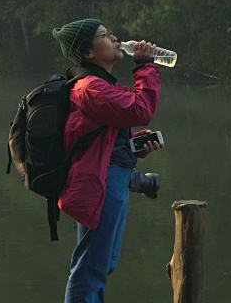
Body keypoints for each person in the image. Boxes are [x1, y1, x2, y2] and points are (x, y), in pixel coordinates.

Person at [52, 18, 164, 302]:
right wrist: (144, 65)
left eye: (112, 33)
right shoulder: (91, 87)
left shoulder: (101, 85)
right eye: (105, 36)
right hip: (99, 184)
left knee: (103, 263)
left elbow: (102, 139)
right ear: (88, 53)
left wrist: (135, 146)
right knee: (90, 267)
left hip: (109, 177)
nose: (115, 39)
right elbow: (141, 109)